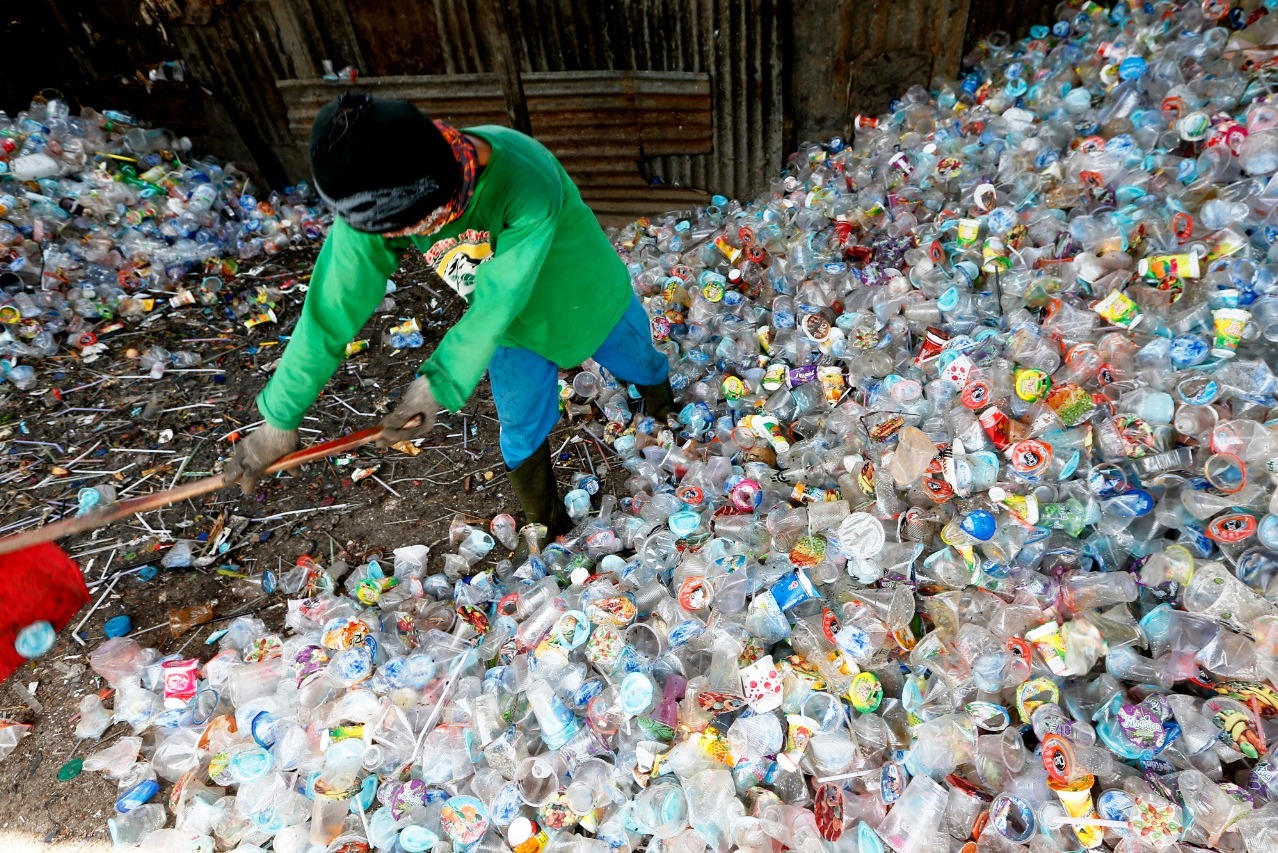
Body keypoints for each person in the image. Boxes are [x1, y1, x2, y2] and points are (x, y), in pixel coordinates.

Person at [224, 94, 675, 543]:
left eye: (415, 227)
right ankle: (549, 525)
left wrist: (435, 386)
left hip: (589, 299)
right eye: (395, 233)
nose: (406, 239)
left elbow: (500, 297)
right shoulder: (376, 200)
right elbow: (329, 310)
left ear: (445, 185)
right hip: (509, 335)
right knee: (520, 430)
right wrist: (279, 420)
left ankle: (665, 412)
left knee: (641, 363)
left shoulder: (526, 180)